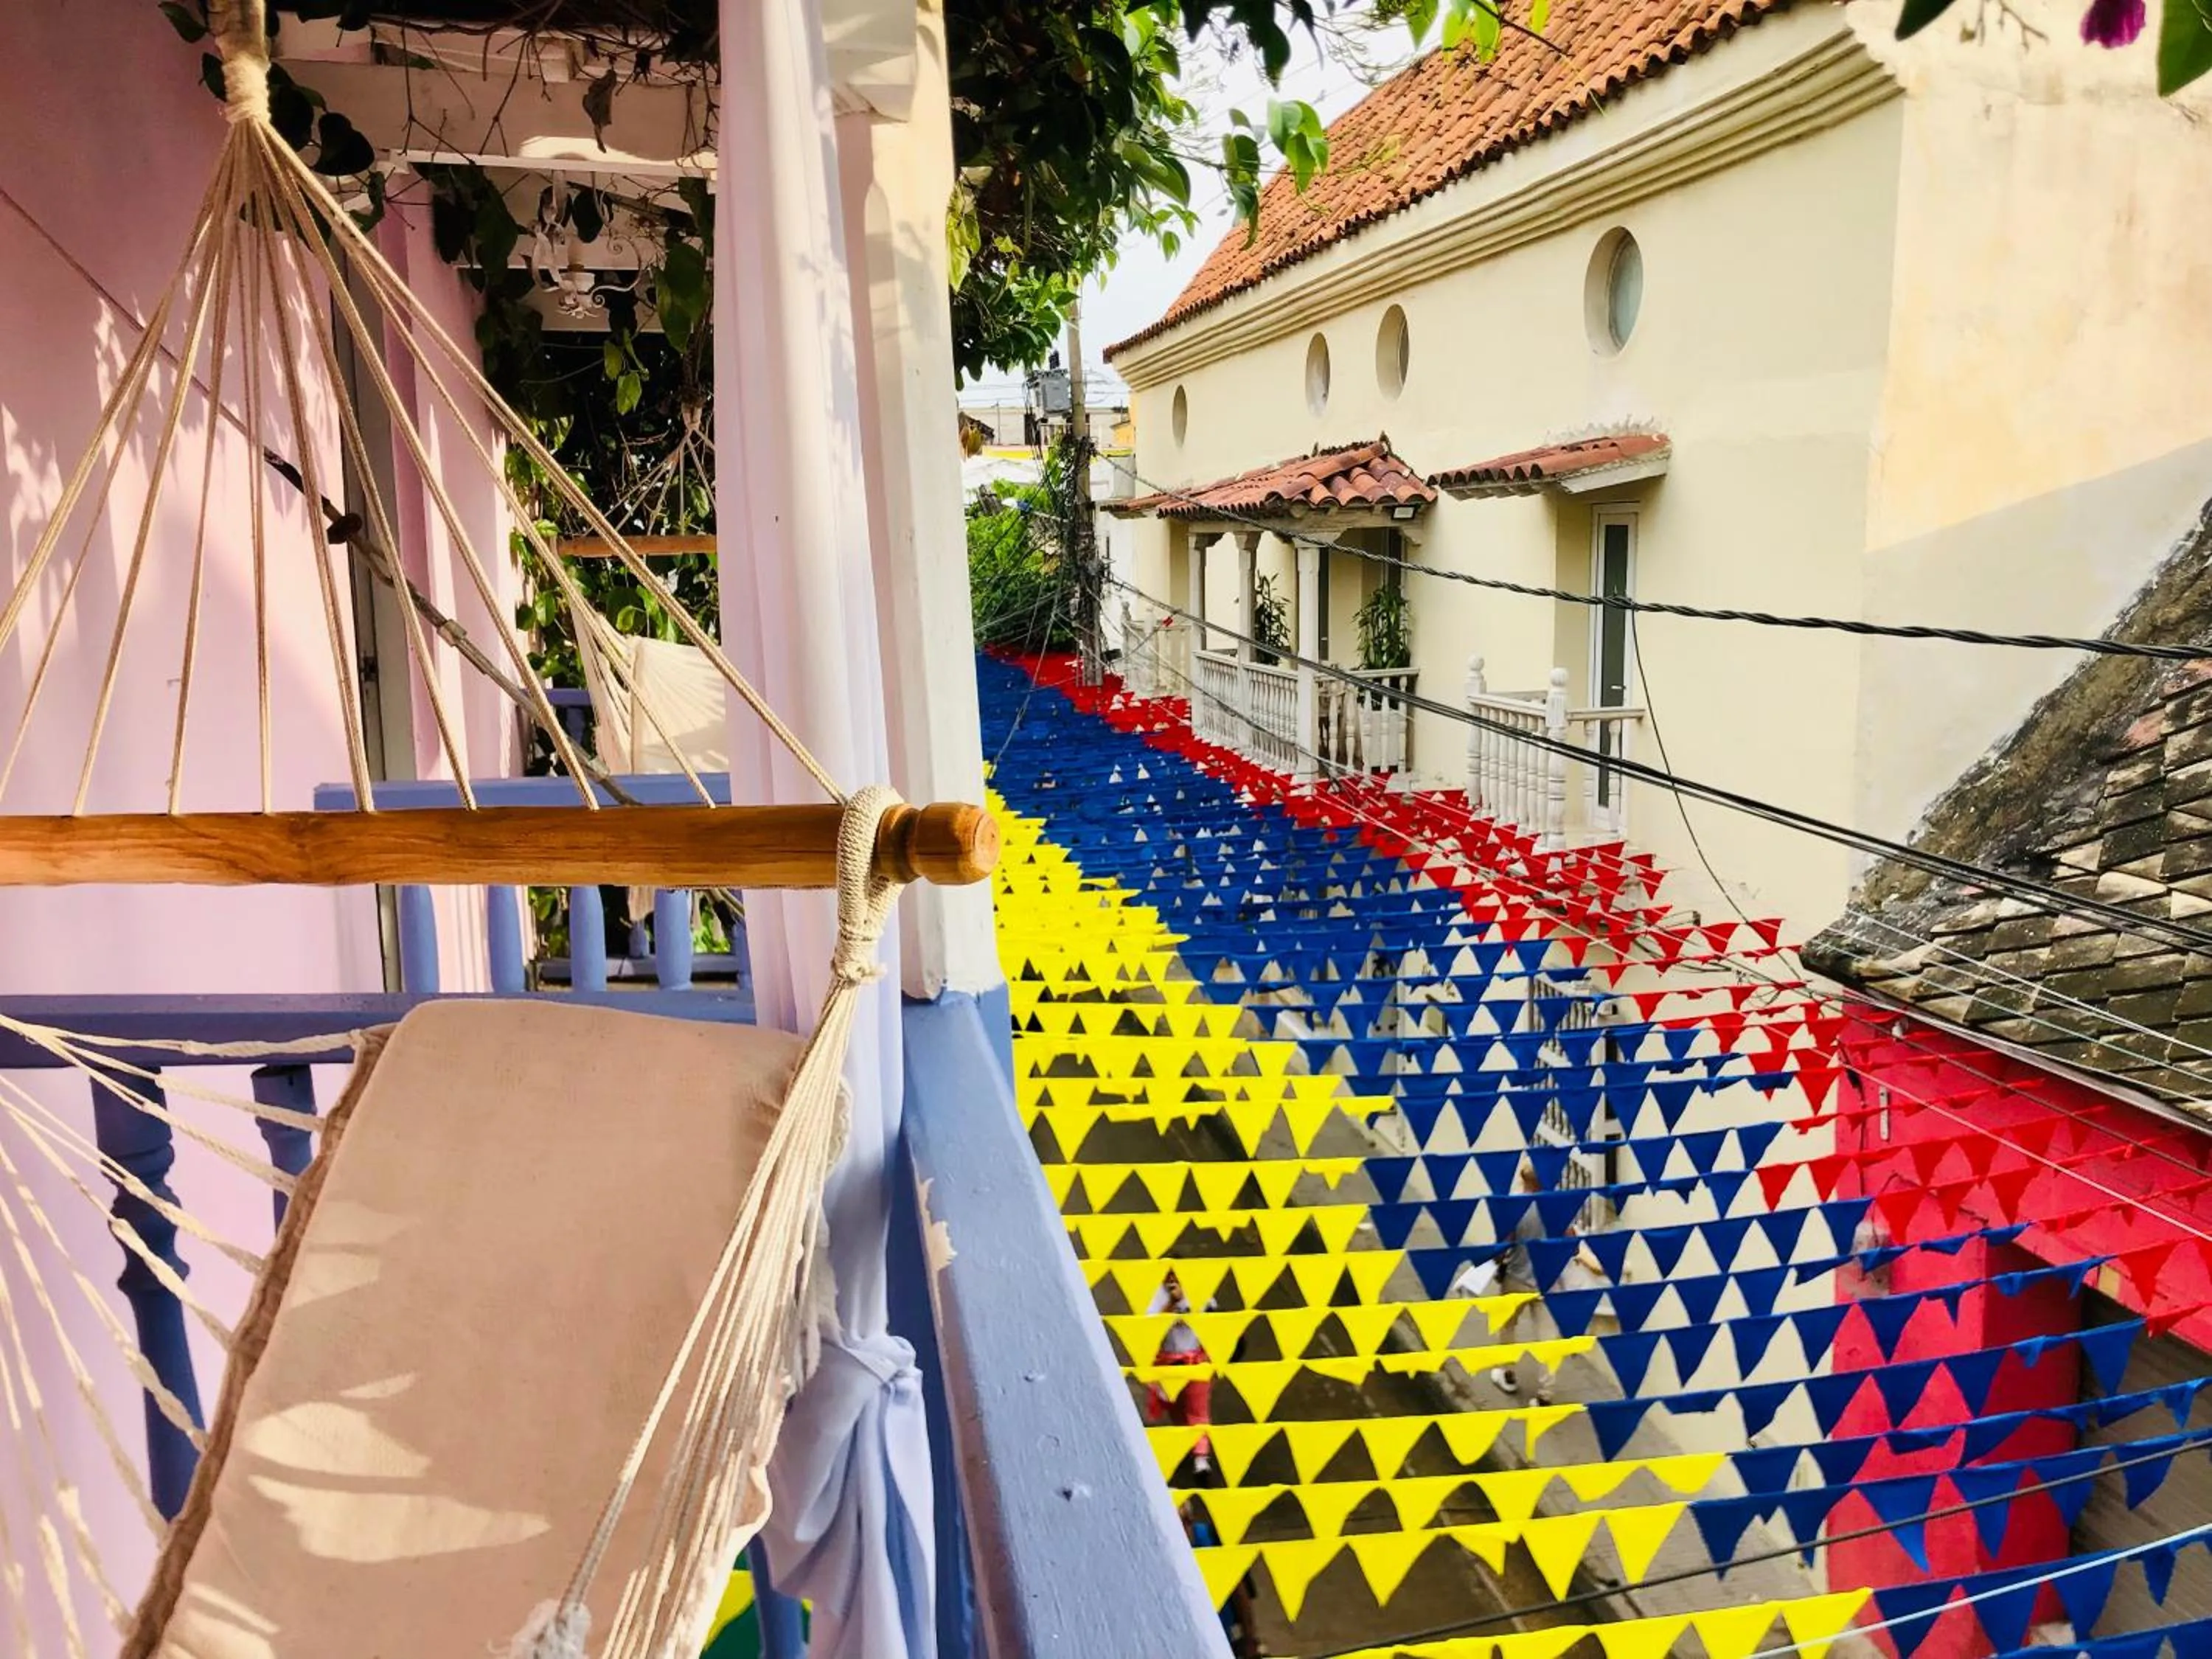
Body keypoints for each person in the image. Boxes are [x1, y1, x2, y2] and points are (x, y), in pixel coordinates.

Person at [1146, 1269, 1215, 1475]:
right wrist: (1172, 1303)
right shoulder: (1155, 1296)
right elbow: (1150, 1325)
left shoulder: (1201, 1293)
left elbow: (1214, 1319)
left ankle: (1201, 1459)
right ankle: (1188, 1442)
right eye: (1169, 1278)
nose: (1172, 1282)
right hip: (1167, 1363)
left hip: (1196, 1362)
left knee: (1198, 1409)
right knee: (1175, 1408)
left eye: (1177, 1278)